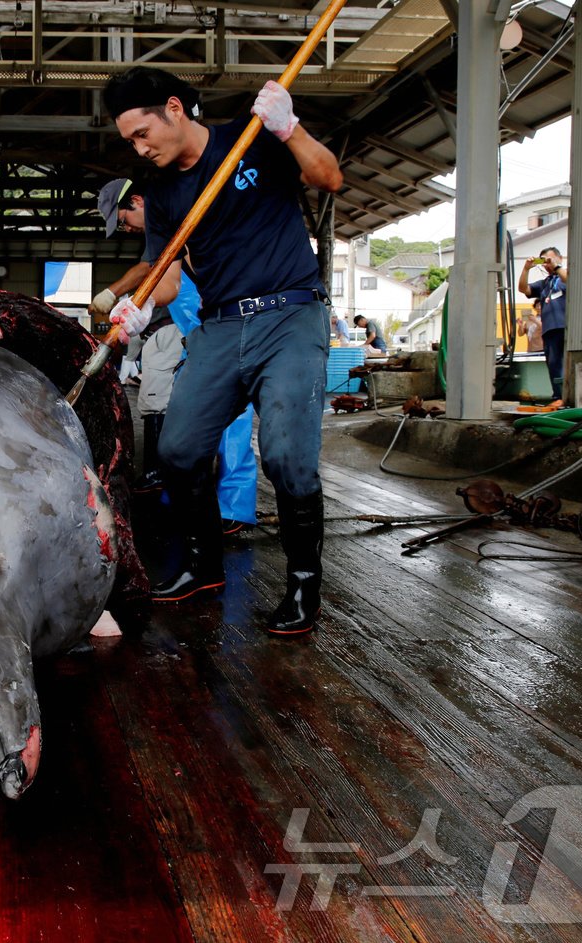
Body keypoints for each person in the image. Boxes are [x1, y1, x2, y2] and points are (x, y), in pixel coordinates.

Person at [102, 66, 342, 636]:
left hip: (288, 315)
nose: (140, 147)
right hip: (219, 327)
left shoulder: (252, 136)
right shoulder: (160, 192)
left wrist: (291, 129)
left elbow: (329, 177)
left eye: (142, 133)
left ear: (175, 110)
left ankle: (304, 581)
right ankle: (202, 564)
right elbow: (165, 277)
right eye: (130, 141)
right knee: (179, 450)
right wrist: (136, 308)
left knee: (286, 456)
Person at [94, 177, 257, 533]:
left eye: (123, 220)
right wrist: (142, 304)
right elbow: (166, 280)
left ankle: (235, 507)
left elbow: (158, 273)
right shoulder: (161, 233)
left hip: (230, 322)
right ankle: (180, 494)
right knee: (184, 415)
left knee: (233, 419)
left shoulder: (184, 212)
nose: (126, 229)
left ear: (137, 200)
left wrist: (119, 293)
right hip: (196, 336)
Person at [518, 247, 567, 406]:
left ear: (559, 258)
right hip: (549, 329)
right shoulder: (545, 283)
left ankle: (566, 396)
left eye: (549, 259)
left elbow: (568, 279)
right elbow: (523, 288)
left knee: (565, 363)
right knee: (553, 364)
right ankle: (557, 396)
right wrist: (526, 269)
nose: (546, 265)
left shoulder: (564, 275)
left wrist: (556, 266)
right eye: (544, 261)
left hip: (564, 326)